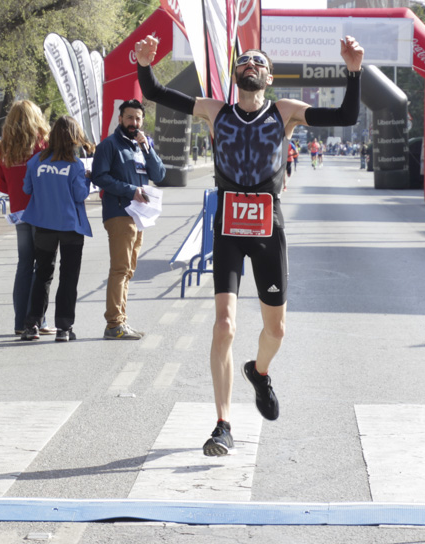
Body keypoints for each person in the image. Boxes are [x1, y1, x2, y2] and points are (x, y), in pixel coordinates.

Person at [135, 34, 364, 456]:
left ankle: (259, 373)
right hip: (228, 225)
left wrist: (353, 71)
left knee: (276, 329)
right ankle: (222, 424)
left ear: (269, 77)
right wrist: (145, 64)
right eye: (245, 62)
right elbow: (154, 92)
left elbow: (347, 116)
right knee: (225, 325)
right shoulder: (213, 110)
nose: (251, 66)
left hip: (267, 226)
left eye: (259, 63)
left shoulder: (285, 112)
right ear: (236, 75)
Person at [90, 99, 167, 340]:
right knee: (121, 269)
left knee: (128, 270)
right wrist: (130, 190)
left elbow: (159, 174)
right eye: (129, 118)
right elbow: (99, 177)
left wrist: (148, 149)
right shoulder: (109, 146)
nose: (134, 122)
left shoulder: (141, 146)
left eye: (138, 118)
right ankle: (114, 324)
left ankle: (121, 322)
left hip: (139, 217)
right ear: (120, 119)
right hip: (120, 213)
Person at [19, 116, 93, 343]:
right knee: (68, 277)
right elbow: (80, 195)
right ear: (74, 137)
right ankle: (63, 328)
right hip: (70, 227)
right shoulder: (75, 165)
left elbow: (26, 188)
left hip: (43, 225)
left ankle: (32, 325)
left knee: (42, 275)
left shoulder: (36, 162)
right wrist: (87, 180)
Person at [0, 100, 52, 336]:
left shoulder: (3, 147)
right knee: (43, 268)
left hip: (19, 211)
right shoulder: (43, 145)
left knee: (24, 265)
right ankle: (38, 320)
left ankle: (20, 322)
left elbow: (1, 185)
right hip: (42, 210)